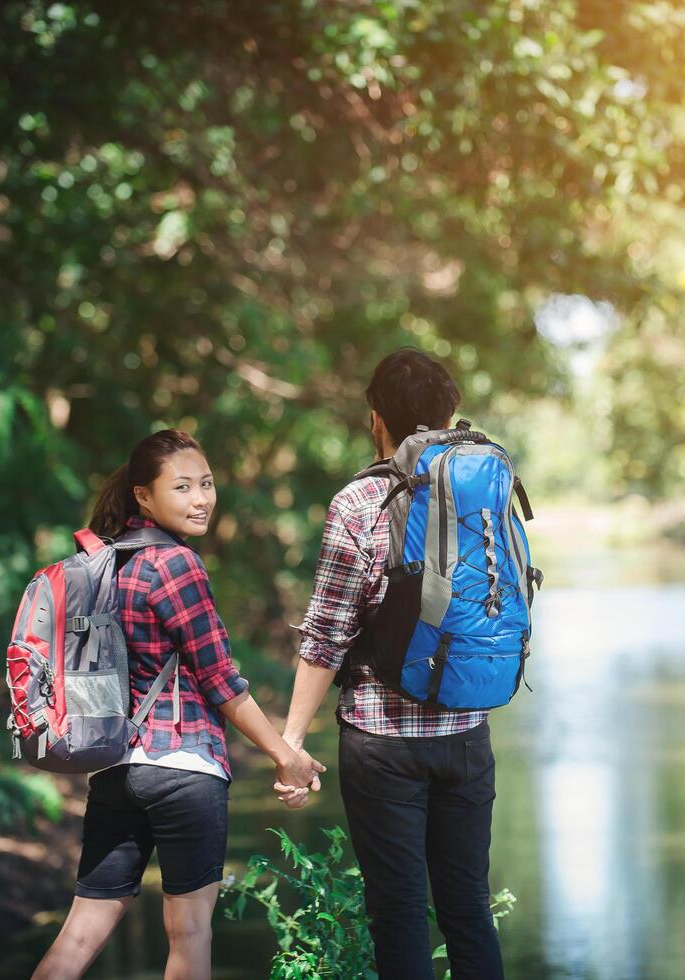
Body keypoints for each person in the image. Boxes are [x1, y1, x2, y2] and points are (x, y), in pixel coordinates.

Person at [33, 429, 324, 980]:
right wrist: (285, 755)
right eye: (184, 486)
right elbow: (220, 679)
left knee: (77, 935)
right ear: (144, 495)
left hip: (116, 769)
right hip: (185, 768)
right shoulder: (176, 565)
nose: (201, 499)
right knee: (189, 935)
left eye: (207, 484)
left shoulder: (104, 562)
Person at [278, 349, 505, 979]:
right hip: (467, 732)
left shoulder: (360, 502)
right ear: (448, 412)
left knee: (400, 911)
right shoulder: (485, 485)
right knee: (468, 909)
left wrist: (291, 742)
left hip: (384, 742)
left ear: (376, 419)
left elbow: (326, 633)